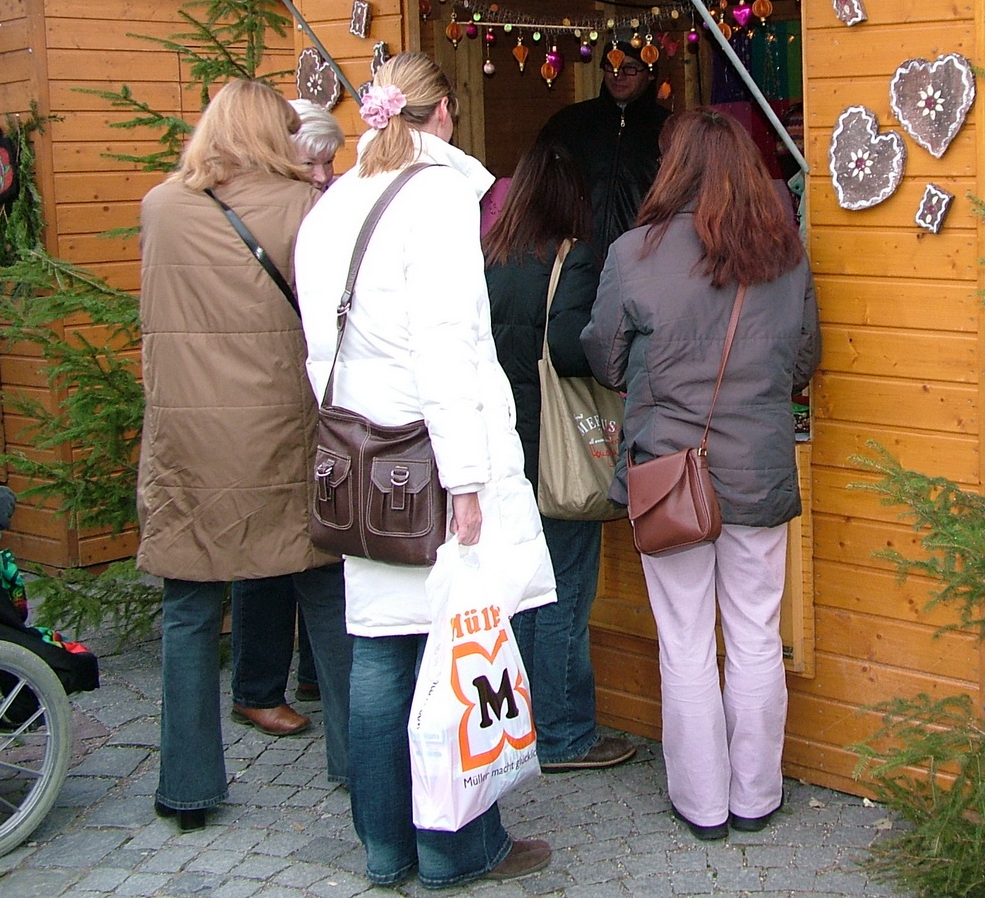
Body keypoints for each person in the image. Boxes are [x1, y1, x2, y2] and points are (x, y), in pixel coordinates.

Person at [295, 52, 556, 888]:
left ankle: (385, 849)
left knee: (377, 650)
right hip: (432, 463)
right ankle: (457, 847)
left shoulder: (333, 203)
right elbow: (446, 346)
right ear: (442, 112)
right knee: (461, 645)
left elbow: (316, 347)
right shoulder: (440, 199)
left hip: (360, 460)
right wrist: (468, 478)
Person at [583, 107, 820, 841]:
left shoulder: (633, 251)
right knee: (753, 636)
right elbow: (805, 359)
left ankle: (702, 803)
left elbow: (604, 356)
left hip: (668, 476)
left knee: (683, 638)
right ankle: (756, 796)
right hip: (757, 470)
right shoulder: (787, 253)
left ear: (672, 168)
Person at [135, 79, 353, 833]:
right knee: (327, 597)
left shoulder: (159, 207)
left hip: (186, 442)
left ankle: (187, 786)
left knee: (190, 611)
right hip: (278, 434)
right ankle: (359, 766)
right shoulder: (304, 208)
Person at [483, 137, 637, 775]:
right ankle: (566, 734)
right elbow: (573, 351)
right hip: (557, 452)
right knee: (564, 598)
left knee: (517, 596)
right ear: (572, 198)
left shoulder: (487, 256)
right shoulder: (572, 259)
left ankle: (516, 728)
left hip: (501, 448)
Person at [227, 99, 347, 730]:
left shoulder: (312, 208)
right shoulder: (263, 215)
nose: (325, 174)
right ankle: (256, 684)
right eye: (313, 162)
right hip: (267, 396)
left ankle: (311, 672)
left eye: (331, 161)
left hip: (308, 393)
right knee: (268, 550)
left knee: (311, 537)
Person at [539, 40, 668, 260]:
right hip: (576, 260)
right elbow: (541, 190)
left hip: (646, 260)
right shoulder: (568, 124)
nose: (618, 75)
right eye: (611, 66)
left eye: (630, 68)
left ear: (650, 73)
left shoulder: (669, 130)